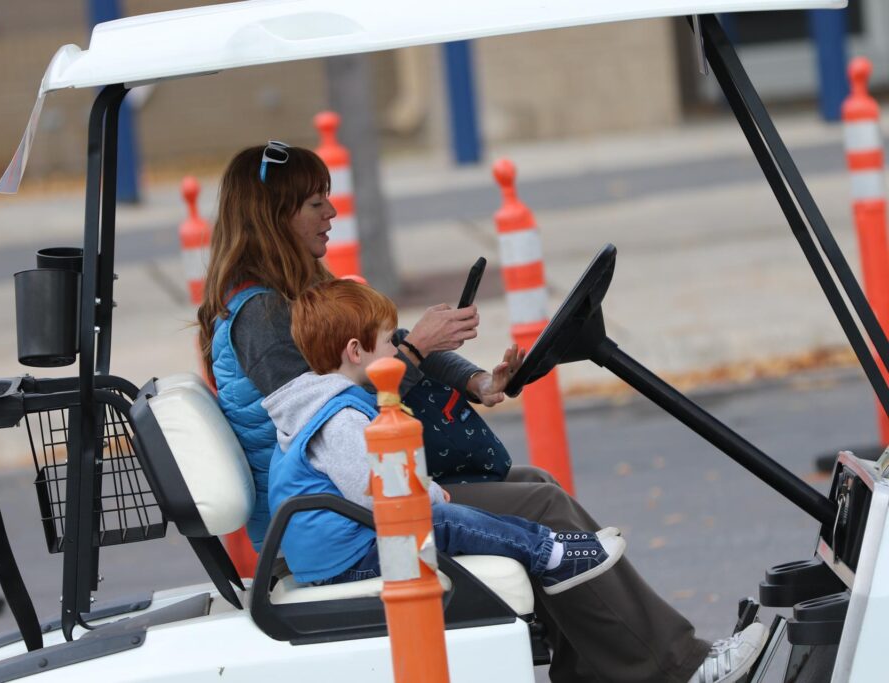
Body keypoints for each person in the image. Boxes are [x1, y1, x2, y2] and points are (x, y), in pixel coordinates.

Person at [197, 142, 766, 683]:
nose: (332, 212)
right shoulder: (261, 316)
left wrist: (477, 380)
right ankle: (678, 668)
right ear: (275, 215)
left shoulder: (295, 294)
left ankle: (599, 671)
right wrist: (415, 351)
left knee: (536, 485)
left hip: (352, 499)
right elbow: (328, 414)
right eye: (315, 203)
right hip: (336, 525)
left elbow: (377, 349)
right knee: (545, 507)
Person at [266, 279, 626, 594]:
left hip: (347, 551)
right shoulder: (339, 419)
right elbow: (379, 493)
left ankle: (550, 545)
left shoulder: (329, 404)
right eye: (389, 341)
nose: (396, 349)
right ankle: (550, 556)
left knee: (449, 516)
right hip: (348, 561)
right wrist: (432, 494)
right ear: (356, 351)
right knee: (444, 520)